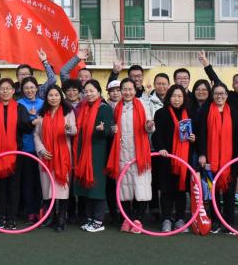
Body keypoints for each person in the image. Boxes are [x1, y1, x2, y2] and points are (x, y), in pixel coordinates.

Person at [199, 50, 238, 220]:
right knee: (216, 187)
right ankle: (216, 219)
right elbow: (217, 82)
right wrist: (206, 65)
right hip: (216, 155)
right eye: (237, 82)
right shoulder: (217, 104)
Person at [194, 83, 238, 234]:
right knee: (213, 192)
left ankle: (229, 223)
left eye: (222, 93)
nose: (219, 96)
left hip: (229, 159)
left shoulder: (233, 110)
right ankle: (216, 221)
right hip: (210, 158)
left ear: (227, 95)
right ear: (212, 96)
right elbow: (201, 134)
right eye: (216, 93)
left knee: (229, 191)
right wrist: (202, 154)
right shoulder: (206, 110)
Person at [106, 78, 155, 233]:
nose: (127, 92)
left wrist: (149, 125)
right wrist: (113, 130)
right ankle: (127, 219)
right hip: (121, 152)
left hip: (140, 153)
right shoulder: (117, 107)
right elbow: (114, 127)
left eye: (130, 89)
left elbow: (149, 127)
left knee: (141, 187)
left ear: (135, 90)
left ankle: (138, 220)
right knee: (124, 188)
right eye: (124, 89)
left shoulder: (143, 104)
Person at [0, 78, 34, 230]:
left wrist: (32, 122)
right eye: (2, 88)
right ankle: (1, 217)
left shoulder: (20, 108)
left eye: (8, 88)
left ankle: (12, 219)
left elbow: (26, 128)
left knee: (14, 187)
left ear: (13, 91)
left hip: (15, 155)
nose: (5, 91)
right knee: (0, 187)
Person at [72, 79, 115, 232]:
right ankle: (90, 218)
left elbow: (110, 132)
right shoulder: (84, 107)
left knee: (97, 187)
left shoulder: (104, 108)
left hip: (98, 153)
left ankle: (98, 221)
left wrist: (102, 130)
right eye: (86, 91)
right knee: (86, 187)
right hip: (83, 151)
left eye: (92, 91)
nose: (89, 94)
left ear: (99, 92)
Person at [34, 84, 77, 231]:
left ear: (61, 97)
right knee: (47, 189)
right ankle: (50, 217)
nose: (53, 98)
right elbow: (36, 134)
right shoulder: (41, 113)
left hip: (62, 157)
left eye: (56, 95)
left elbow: (74, 130)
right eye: (51, 95)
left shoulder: (68, 112)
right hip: (46, 156)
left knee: (62, 189)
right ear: (46, 97)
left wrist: (69, 129)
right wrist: (41, 150)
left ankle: (61, 219)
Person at [152, 86, 194, 232]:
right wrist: (161, 148)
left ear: (184, 98)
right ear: (169, 97)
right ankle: (166, 219)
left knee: (181, 190)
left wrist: (193, 138)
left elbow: (196, 136)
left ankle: (180, 219)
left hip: (184, 159)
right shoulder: (161, 113)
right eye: (174, 96)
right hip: (166, 158)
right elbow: (156, 135)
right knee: (166, 190)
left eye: (180, 96)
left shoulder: (190, 113)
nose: (177, 99)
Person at [17, 76, 45, 223]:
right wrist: (31, 118)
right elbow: (19, 125)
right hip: (26, 148)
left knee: (41, 182)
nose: (29, 90)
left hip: (43, 149)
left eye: (32, 87)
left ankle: (41, 210)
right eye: (26, 88)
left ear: (37, 88)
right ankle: (30, 211)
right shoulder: (18, 104)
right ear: (22, 89)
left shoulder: (44, 103)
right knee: (28, 182)